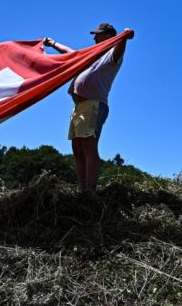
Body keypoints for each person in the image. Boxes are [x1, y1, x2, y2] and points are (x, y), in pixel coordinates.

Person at [43, 22, 130, 192]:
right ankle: (82, 188)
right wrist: (52, 43)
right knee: (77, 147)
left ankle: (90, 189)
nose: (94, 37)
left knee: (89, 146)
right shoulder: (92, 55)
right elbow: (70, 53)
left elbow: (119, 48)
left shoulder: (112, 55)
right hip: (79, 106)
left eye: (98, 34)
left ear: (108, 36)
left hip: (94, 104)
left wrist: (124, 37)